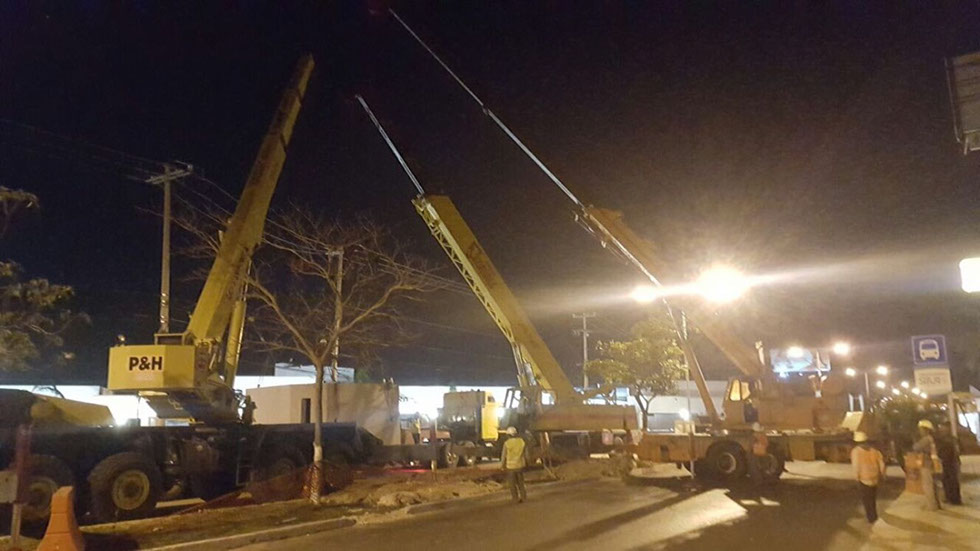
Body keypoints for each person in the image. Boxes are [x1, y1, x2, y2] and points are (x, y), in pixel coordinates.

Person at [851, 431, 886, 523]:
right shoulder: (875, 451)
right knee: (872, 499)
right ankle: (874, 515)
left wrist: (856, 478)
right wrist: (882, 476)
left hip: (864, 479)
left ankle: (871, 518)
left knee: (866, 500)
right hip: (874, 478)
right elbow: (882, 464)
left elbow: (856, 466)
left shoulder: (856, 451)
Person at [912, 419, 940, 511]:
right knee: (933, 485)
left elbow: (915, 447)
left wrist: (915, 441)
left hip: (926, 464)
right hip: (931, 464)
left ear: (926, 429)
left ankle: (931, 506)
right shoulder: (931, 438)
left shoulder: (926, 439)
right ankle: (936, 504)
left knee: (927, 485)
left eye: (921, 429)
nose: (920, 431)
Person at [936, 422, 962, 505]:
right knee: (946, 480)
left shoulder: (950, 440)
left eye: (943, 428)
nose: (942, 430)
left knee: (952, 481)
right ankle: (950, 497)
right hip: (946, 462)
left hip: (952, 462)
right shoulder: (943, 439)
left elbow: (958, 449)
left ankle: (955, 499)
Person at [501, 426, 528, 503]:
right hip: (520, 465)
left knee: (512, 484)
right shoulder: (521, 442)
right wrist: (527, 462)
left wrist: (502, 465)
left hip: (510, 467)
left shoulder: (507, 443)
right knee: (521, 483)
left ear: (508, 435)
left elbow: (503, 456)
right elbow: (526, 454)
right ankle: (523, 497)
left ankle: (515, 499)